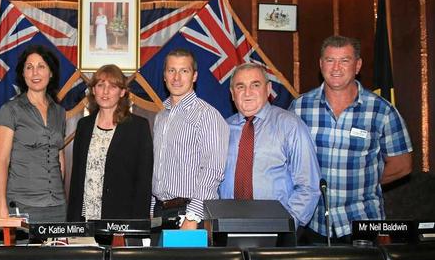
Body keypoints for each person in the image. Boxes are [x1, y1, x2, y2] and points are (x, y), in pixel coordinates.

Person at [290, 35, 413, 243]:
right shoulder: (300, 107)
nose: (336, 68)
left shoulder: (381, 110)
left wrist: (364, 183)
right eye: (330, 60)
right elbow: (285, 160)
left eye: (345, 60)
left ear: (357, 65)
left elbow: (402, 165)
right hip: (312, 224)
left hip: (363, 221)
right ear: (321, 65)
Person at [219, 63, 321, 227]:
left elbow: (308, 186)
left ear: (268, 90)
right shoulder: (222, 129)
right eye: (240, 86)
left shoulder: (290, 125)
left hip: (277, 231)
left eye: (255, 85)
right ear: (232, 94)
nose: (247, 93)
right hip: (228, 226)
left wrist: (286, 226)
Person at [151, 48, 229, 230]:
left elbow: (213, 169)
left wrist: (193, 216)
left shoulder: (207, 115)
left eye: (184, 71)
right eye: (171, 71)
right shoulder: (161, 116)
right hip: (160, 212)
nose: (176, 78)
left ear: (194, 76)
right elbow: (156, 167)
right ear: (164, 76)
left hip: (190, 213)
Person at [67, 64, 153, 222]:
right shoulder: (84, 126)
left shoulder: (138, 127)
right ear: (93, 90)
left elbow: (143, 182)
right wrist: (72, 222)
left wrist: (138, 226)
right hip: (85, 218)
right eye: (100, 85)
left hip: (122, 220)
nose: (105, 92)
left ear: (122, 92)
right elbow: (76, 180)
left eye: (112, 86)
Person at [0, 45, 67, 222]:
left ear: (51, 73)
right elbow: (2, 161)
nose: (35, 73)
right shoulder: (10, 110)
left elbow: (59, 156)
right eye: (29, 67)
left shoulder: (59, 112)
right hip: (22, 205)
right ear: (23, 74)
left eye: (41, 66)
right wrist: (0, 205)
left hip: (57, 206)